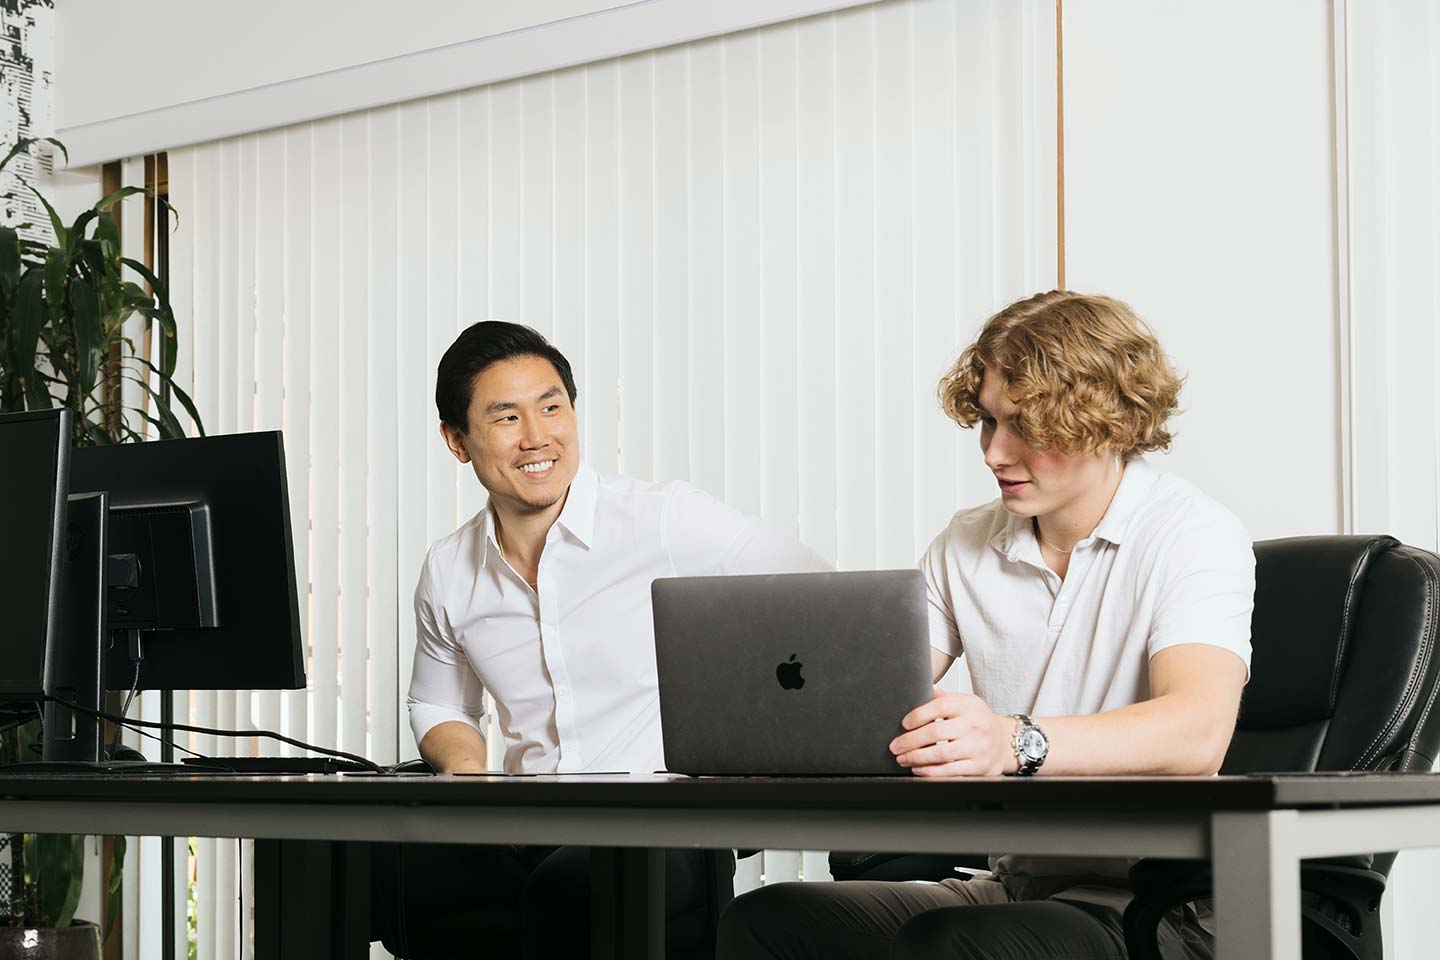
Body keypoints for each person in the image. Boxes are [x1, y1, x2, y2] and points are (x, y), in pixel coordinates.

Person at [717, 290, 1255, 960]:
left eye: (1025, 426)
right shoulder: (967, 543)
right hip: (1020, 888)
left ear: (1105, 421)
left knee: (953, 942)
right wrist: (773, 742)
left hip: (1166, 905)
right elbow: (875, 692)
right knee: (769, 920)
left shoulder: (1191, 534)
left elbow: (1195, 733)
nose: (995, 452)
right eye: (987, 422)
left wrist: (1012, 743)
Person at [374, 321, 828, 960]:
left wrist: (750, 746)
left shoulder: (664, 520)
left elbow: (817, 597)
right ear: (457, 440)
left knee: (574, 888)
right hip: (521, 825)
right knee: (381, 875)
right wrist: (468, 772)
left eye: (552, 407)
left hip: (659, 828)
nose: (538, 437)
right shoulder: (450, 567)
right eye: (506, 417)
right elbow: (439, 703)